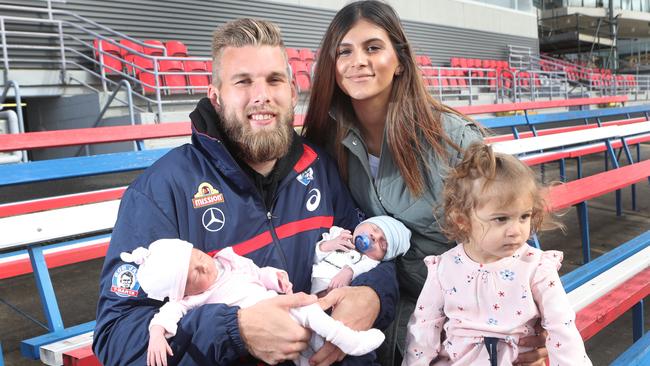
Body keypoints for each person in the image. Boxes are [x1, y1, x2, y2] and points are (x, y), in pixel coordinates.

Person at [93, 18, 398, 366]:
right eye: (243, 82)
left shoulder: (321, 168)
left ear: (292, 91)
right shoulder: (162, 191)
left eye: (274, 80)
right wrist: (234, 331)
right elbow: (116, 338)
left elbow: (372, 248)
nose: (262, 96)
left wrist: (374, 293)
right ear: (216, 96)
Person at [302, 1, 548, 364]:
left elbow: (512, 229)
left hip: (472, 318)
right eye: (344, 51)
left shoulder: (451, 139)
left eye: (373, 47)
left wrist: (531, 321)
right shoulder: (324, 143)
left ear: (399, 60)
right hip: (390, 316)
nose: (358, 61)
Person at [403, 143, 592, 365]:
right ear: (463, 220)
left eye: (524, 216)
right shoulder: (444, 267)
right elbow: (424, 328)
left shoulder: (536, 266)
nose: (516, 231)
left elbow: (562, 327)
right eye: (501, 219)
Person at [119, 239, 385, 366]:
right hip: (267, 325)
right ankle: (350, 341)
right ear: (181, 291)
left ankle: (338, 346)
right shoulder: (191, 300)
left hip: (281, 304)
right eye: (195, 274)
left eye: (199, 256)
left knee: (310, 316)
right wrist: (156, 334)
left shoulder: (228, 262)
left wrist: (276, 278)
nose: (204, 266)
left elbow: (258, 273)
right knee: (308, 323)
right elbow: (164, 316)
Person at [312, 215, 411, 295]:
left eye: (382, 245)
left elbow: (361, 269)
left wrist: (349, 272)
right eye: (375, 229)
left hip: (328, 296)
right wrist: (329, 245)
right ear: (362, 223)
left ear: (382, 257)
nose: (374, 237)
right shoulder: (338, 233)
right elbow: (310, 257)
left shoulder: (370, 261)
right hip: (305, 279)